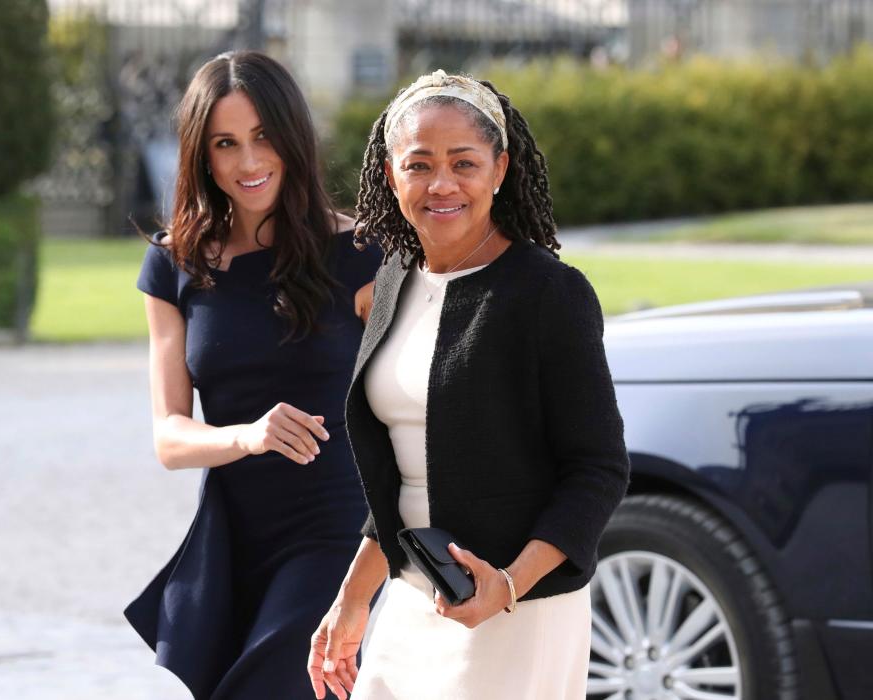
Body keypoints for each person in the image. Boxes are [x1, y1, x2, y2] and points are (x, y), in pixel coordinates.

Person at [307, 70, 630, 700]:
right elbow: (405, 477)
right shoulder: (394, 283)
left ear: (501, 167)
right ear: (390, 174)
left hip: (515, 607)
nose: (443, 184)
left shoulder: (548, 294)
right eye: (419, 164)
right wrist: (351, 600)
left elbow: (598, 469)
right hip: (411, 599)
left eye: (464, 162)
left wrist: (507, 585)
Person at [124, 51, 382, 700]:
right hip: (233, 538)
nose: (248, 162)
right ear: (201, 155)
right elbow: (169, 438)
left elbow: (414, 407)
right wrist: (247, 436)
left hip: (336, 530)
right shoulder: (173, 267)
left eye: (264, 137)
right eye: (226, 143)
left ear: (292, 138)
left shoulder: (361, 256)